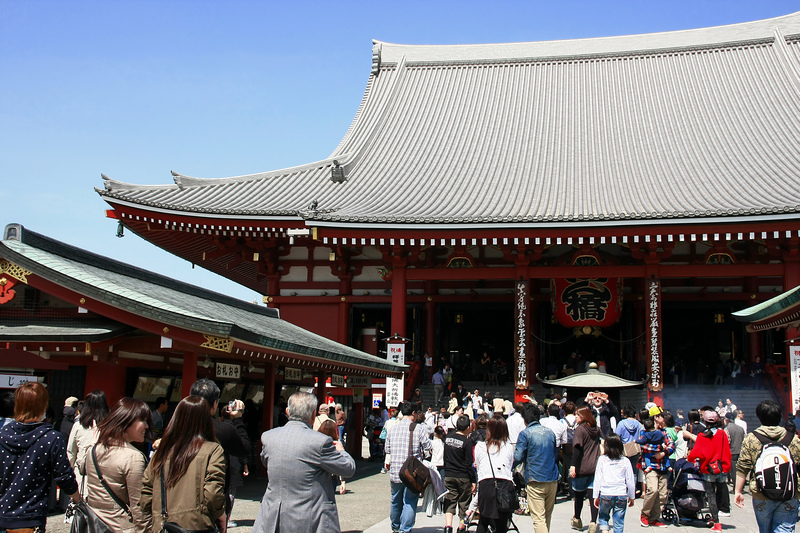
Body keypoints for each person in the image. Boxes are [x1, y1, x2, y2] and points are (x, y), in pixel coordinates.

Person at [254, 392, 355, 532]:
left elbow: (266, 462)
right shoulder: (320, 442)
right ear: (314, 414)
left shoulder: (269, 437)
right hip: (310, 517)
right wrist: (342, 450)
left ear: (287, 412)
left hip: (274, 516)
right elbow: (348, 469)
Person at [0, 382, 80, 530]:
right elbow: (64, 477)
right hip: (30, 518)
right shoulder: (51, 438)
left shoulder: (2, 435)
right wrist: (78, 498)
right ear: (43, 406)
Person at [141, 395, 227, 532]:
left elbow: (146, 492)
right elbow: (212, 493)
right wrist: (220, 514)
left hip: (162, 526)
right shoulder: (213, 450)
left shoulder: (161, 452)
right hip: (196, 525)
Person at [84, 397, 153, 532]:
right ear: (126, 421)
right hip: (120, 527)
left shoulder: (94, 449)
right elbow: (139, 509)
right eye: (143, 420)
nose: (146, 426)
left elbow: (82, 467)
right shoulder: (133, 458)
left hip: (94, 524)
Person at [735, 399, 800, 533]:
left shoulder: (752, 438)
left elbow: (743, 467)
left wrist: (738, 491)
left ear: (760, 417)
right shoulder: (793, 438)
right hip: (789, 494)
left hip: (761, 493)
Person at [190, 378, 251, 519]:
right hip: (211, 503)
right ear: (214, 404)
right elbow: (244, 448)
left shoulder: (177, 427)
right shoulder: (222, 430)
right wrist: (238, 419)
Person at [385, 401, 432, 533]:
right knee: (410, 501)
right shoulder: (418, 428)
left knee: (395, 500)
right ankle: (405, 529)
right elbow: (428, 447)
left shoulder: (393, 429)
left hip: (395, 471)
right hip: (412, 473)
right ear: (413, 413)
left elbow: (387, 449)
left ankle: (395, 526)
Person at [514, 402, 559, 533]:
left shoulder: (525, 434)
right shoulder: (550, 433)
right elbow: (555, 454)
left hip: (535, 479)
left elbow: (518, 456)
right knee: (547, 516)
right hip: (552, 478)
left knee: (538, 518)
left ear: (524, 419)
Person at [687, 409, 731, 530]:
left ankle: (716, 522)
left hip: (708, 469)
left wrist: (689, 458)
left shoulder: (702, 435)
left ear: (705, 421)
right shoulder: (722, 433)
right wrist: (727, 467)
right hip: (722, 468)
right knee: (719, 494)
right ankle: (719, 514)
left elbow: (696, 452)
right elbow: (727, 451)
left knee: (710, 495)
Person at [473, 415, 518, 533]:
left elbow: (478, 467)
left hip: (485, 483)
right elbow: (509, 466)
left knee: (483, 520)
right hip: (504, 485)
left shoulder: (480, 446)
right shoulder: (508, 447)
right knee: (502, 525)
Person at [638, 405, 674, 528]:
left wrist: (664, 453)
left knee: (662, 494)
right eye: (661, 416)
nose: (664, 418)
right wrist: (659, 449)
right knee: (652, 490)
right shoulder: (645, 431)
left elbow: (671, 445)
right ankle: (645, 515)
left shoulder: (664, 431)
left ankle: (654, 518)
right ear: (655, 418)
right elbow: (643, 446)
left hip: (663, 466)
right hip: (651, 466)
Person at [67, 389, 109, 491]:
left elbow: (71, 452)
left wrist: (70, 469)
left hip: (82, 476)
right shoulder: (110, 426)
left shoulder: (79, 425)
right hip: (105, 478)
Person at [592, 434, 635, 533]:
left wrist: (595, 495)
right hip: (621, 494)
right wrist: (632, 496)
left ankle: (605, 531)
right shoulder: (625, 461)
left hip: (606, 493)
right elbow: (630, 481)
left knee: (603, 518)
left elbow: (598, 478)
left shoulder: (602, 459)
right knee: (619, 522)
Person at [571, 406, 602, 533]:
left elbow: (577, 449)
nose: (576, 417)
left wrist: (573, 466)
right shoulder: (596, 429)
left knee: (578, 496)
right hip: (595, 466)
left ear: (583, 416)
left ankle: (577, 519)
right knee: (593, 496)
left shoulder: (580, 430)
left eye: (577, 415)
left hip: (582, 467)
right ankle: (593, 522)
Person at [443, 414, 476, 533]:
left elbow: (445, 457)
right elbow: (469, 463)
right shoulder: (467, 442)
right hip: (463, 476)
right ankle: (461, 528)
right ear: (468, 427)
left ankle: (448, 527)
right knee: (464, 503)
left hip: (449, 474)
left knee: (450, 501)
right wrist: (473, 480)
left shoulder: (448, 438)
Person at [318, 419, 348, 495]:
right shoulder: (336, 444)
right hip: (332, 476)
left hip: (317, 477)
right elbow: (341, 463)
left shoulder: (316, 444)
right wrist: (343, 482)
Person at [724, 412, 745, 486]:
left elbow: (727, 441)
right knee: (740, 470)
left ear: (727, 420)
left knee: (733, 470)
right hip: (740, 451)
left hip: (732, 452)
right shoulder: (741, 428)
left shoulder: (727, 429)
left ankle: (736, 486)